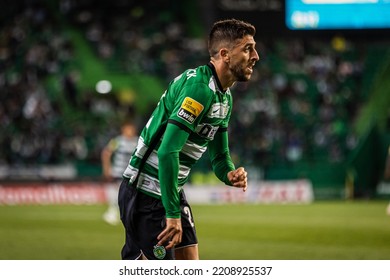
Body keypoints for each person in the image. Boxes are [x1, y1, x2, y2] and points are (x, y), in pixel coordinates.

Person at [118, 18, 259, 259]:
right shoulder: (199, 88)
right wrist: (172, 214)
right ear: (225, 54)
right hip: (146, 194)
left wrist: (229, 174)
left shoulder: (224, 98)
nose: (255, 55)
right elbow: (167, 151)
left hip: (169, 190)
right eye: (247, 48)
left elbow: (220, 157)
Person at [101, 120, 138, 225]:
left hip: (132, 173)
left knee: (131, 195)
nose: (129, 131)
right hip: (118, 172)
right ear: (123, 130)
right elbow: (106, 153)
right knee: (116, 193)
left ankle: (128, 214)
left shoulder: (137, 141)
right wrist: (106, 168)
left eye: (131, 129)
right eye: (128, 129)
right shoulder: (117, 141)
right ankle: (112, 212)